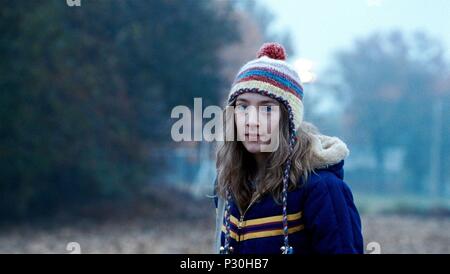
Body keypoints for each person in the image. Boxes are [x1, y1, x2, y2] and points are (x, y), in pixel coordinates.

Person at [213, 42, 363, 254]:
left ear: (288, 119)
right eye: (243, 106)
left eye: (266, 108)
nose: (251, 120)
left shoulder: (323, 189)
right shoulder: (230, 184)